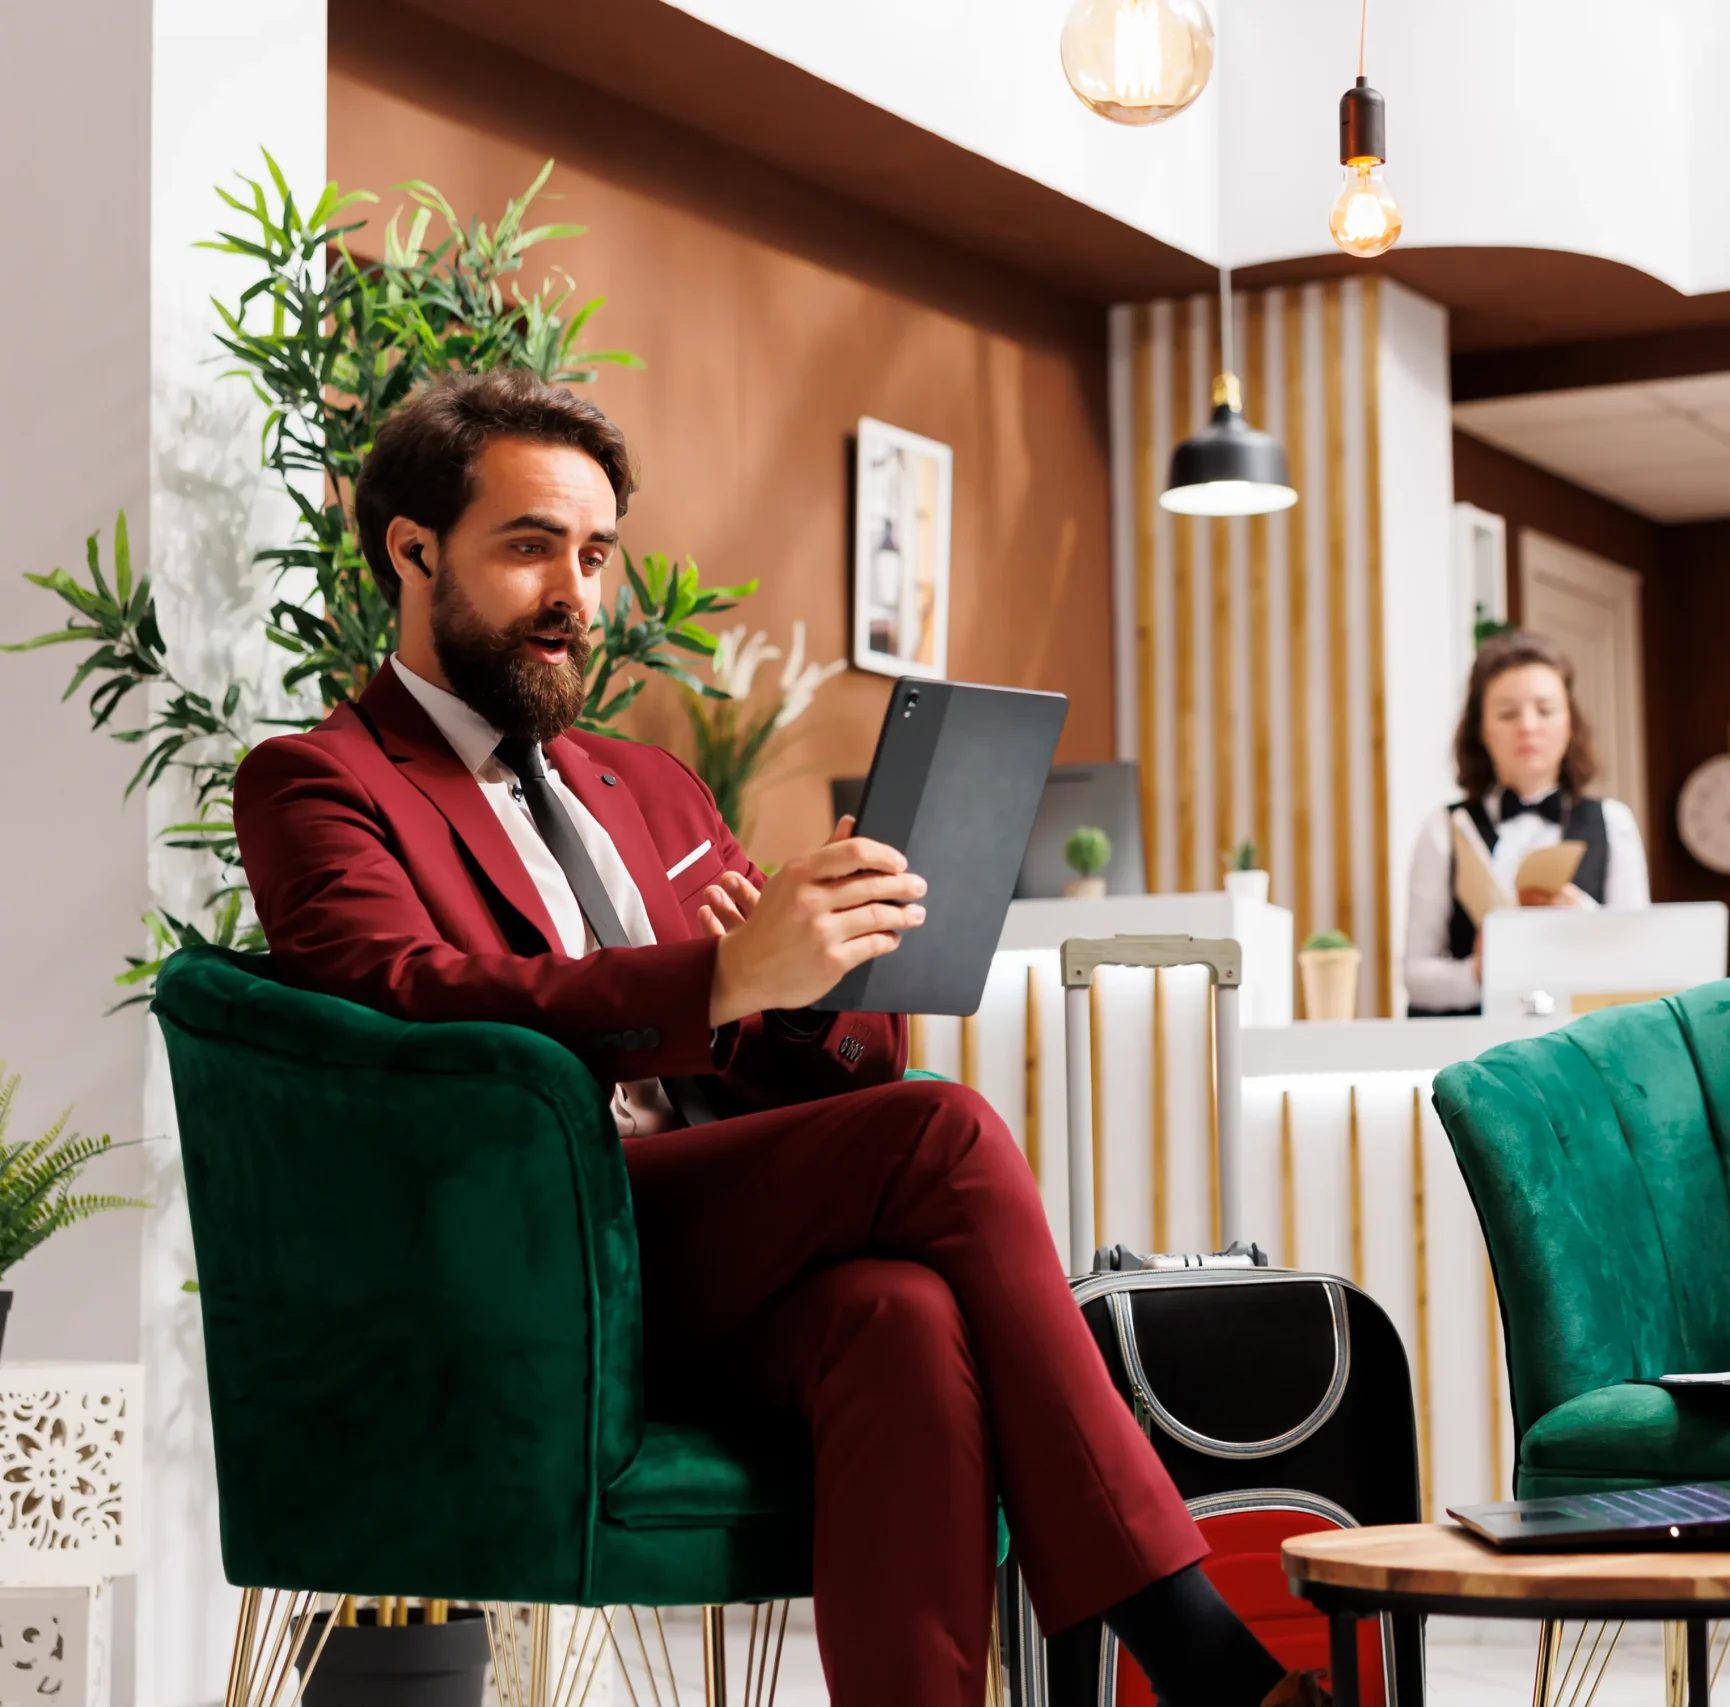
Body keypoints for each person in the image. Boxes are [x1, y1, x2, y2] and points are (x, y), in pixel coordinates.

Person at [230, 371, 1325, 1707]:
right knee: (946, 1125)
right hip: (531, 1258)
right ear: (411, 547)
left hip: (709, 1249)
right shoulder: (318, 780)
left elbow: (824, 1043)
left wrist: (801, 985)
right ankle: (1195, 1640)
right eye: (530, 548)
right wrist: (715, 977)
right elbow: (405, 997)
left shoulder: (654, 783)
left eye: (594, 552)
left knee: (901, 1315)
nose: (575, 591)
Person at [1403, 631, 1649, 1015]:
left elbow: (1642, 964)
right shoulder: (1444, 828)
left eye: (1545, 709)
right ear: (1482, 729)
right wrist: (1478, 973)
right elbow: (1416, 977)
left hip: (1582, 1052)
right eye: (1507, 713)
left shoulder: (1613, 822)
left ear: (1569, 721)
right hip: (1474, 1055)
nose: (1528, 726)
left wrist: (1583, 917)